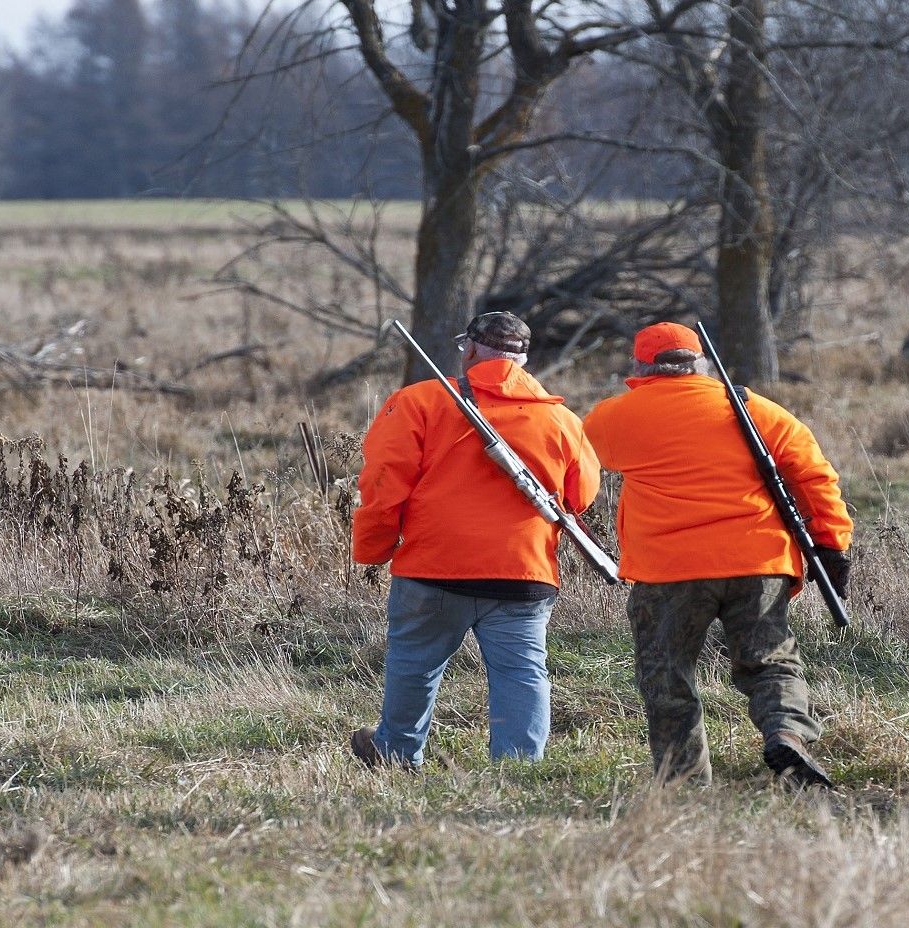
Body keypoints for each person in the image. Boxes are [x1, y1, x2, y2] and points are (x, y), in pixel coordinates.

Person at [582, 322, 853, 788]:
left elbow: (584, 467)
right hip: (758, 561)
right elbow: (814, 474)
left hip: (669, 569)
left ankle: (685, 785)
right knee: (771, 662)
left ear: (639, 366)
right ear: (701, 362)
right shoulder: (754, 409)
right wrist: (831, 545)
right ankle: (787, 733)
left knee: (667, 676)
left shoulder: (613, 417)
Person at [349, 311, 601, 768]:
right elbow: (580, 496)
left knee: (415, 667)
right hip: (523, 572)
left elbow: (384, 484)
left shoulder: (420, 401)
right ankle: (519, 768)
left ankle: (397, 753)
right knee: (522, 674)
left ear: (469, 349)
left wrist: (374, 548)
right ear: (523, 359)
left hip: (434, 567)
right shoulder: (562, 419)